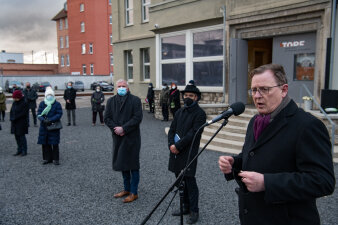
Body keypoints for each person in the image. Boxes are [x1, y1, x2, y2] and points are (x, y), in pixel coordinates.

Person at [218, 64, 335, 225]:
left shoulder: (308, 125)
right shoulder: (255, 121)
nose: (257, 96)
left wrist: (267, 183)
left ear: (284, 90)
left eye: (264, 89)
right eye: (253, 90)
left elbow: (323, 181)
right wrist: (234, 163)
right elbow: (255, 155)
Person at [167, 83, 206, 224]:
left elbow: (193, 133)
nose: (187, 97)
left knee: (189, 181)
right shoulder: (179, 112)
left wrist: (178, 146)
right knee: (179, 180)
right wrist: (171, 145)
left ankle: (194, 211)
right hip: (175, 151)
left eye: (190, 95)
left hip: (189, 152)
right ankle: (185, 206)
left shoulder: (200, 114)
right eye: (186, 95)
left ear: (196, 98)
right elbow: (171, 130)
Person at [104, 79, 143, 203]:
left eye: (123, 86)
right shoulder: (111, 101)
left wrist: (124, 128)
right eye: (119, 86)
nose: (121, 88)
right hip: (118, 136)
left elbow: (137, 118)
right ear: (116, 88)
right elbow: (107, 118)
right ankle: (126, 189)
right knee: (122, 163)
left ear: (128, 88)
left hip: (131, 137)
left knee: (133, 165)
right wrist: (116, 129)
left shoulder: (135, 100)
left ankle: (134, 192)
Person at [37, 87, 63, 165]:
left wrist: (51, 120)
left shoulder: (57, 104)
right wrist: (43, 120)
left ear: (53, 95)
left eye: (51, 95)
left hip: (53, 126)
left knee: (54, 143)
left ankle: (56, 159)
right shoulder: (42, 103)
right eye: (48, 95)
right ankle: (47, 158)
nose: (49, 96)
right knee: (45, 144)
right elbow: (39, 113)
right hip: (44, 126)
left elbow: (59, 114)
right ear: (45, 95)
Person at [10, 90, 29, 156]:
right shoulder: (14, 102)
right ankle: (19, 149)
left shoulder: (24, 103)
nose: (14, 99)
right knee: (16, 137)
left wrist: (15, 118)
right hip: (14, 122)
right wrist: (12, 118)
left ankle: (24, 150)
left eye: (15, 98)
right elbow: (11, 111)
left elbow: (24, 113)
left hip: (21, 123)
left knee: (22, 137)